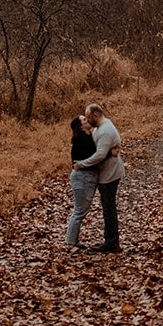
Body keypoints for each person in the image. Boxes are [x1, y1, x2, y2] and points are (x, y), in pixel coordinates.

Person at [71, 102, 124, 252]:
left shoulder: (105, 131)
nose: (87, 120)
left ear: (95, 116)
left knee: (109, 208)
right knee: (108, 208)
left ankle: (112, 243)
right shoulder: (100, 128)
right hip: (106, 172)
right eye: (85, 119)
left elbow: (99, 155)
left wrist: (81, 164)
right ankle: (110, 241)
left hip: (110, 174)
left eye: (88, 117)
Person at [65, 112, 100, 248]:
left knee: (81, 210)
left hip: (86, 177)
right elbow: (93, 157)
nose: (88, 120)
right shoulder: (81, 139)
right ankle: (70, 242)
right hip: (82, 177)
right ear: (80, 126)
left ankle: (73, 240)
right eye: (84, 120)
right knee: (79, 211)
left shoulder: (89, 136)